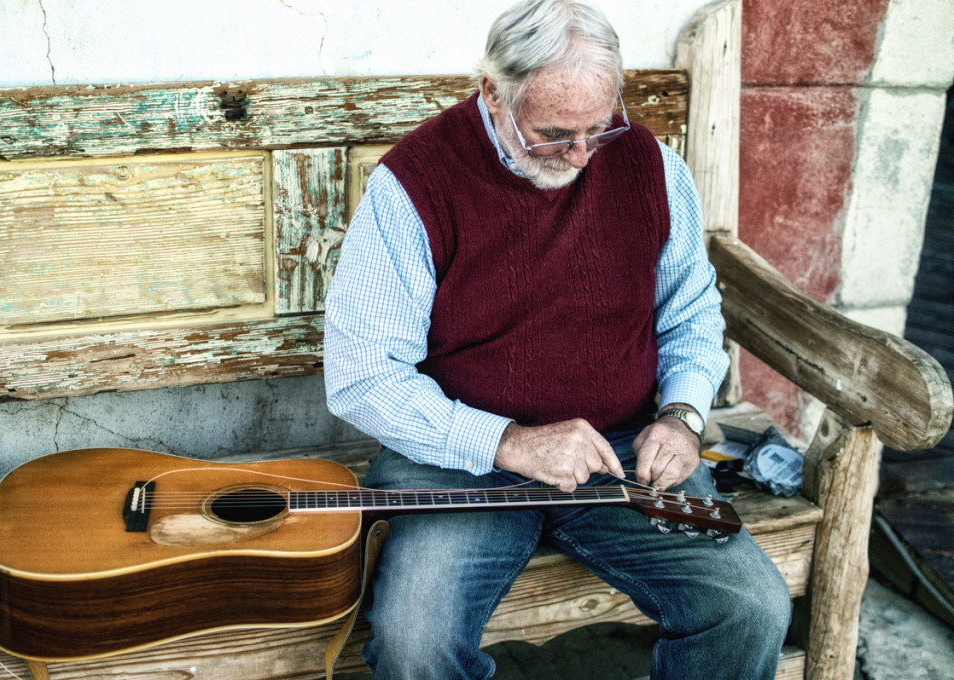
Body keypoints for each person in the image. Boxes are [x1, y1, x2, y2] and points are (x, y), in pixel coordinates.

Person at [324, 1, 792, 678]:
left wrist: (683, 417)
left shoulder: (650, 167)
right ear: (492, 91)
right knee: (414, 642)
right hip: (458, 459)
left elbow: (691, 315)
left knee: (749, 608)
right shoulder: (413, 184)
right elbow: (362, 376)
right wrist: (510, 442)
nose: (579, 157)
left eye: (596, 130)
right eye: (553, 133)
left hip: (623, 450)